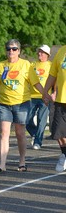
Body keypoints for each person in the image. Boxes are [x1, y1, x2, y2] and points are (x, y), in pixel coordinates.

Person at [0, 39, 44, 174]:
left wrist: (45, 95)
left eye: (14, 49)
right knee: (3, 133)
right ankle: (2, 164)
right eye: (8, 49)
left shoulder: (26, 65)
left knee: (20, 133)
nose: (11, 51)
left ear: (19, 51)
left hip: (21, 103)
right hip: (4, 104)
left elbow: (36, 83)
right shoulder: (0, 66)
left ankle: (22, 161)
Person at [42, 45, 66, 173]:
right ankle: (64, 154)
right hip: (61, 99)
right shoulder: (61, 51)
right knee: (57, 132)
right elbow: (52, 74)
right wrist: (45, 91)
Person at [26, 45, 52, 150]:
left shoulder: (51, 65)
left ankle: (38, 142)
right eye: (39, 52)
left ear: (47, 55)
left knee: (42, 120)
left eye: (42, 52)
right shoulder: (32, 65)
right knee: (26, 119)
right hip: (31, 96)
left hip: (44, 97)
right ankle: (34, 133)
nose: (39, 54)